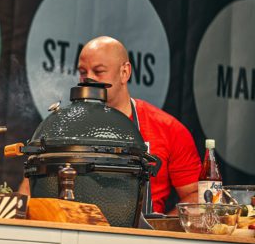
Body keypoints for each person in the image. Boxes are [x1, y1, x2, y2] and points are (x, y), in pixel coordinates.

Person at [76, 36, 200, 214]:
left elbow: (197, 196)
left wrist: (162, 230)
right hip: (82, 233)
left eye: (98, 71)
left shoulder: (168, 129)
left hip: (144, 238)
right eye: (83, 72)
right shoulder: (67, 128)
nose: (88, 79)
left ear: (124, 72)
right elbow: (33, 185)